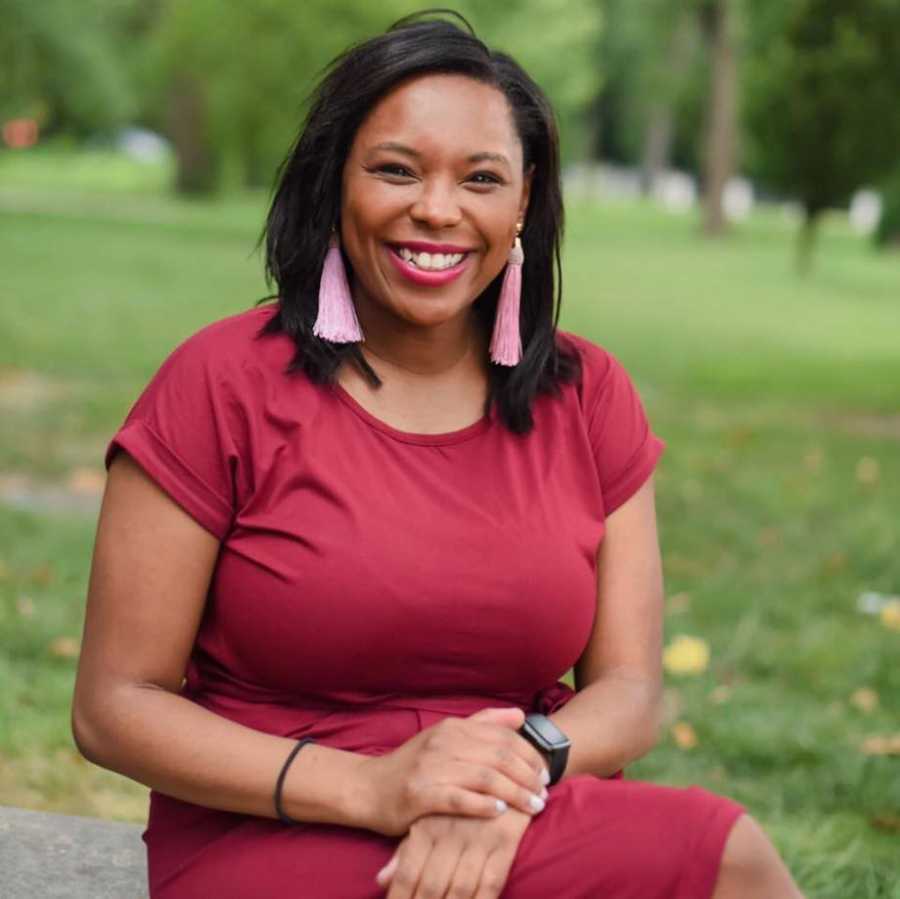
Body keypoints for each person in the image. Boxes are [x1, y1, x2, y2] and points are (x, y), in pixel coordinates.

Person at [72, 12, 805, 899]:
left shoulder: (587, 394)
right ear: (334, 181)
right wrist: (376, 787)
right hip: (273, 825)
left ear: (524, 201)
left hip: (518, 811)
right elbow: (114, 706)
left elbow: (629, 688)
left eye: (482, 178)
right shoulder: (219, 385)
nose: (438, 209)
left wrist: (503, 780)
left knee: (726, 855)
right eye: (396, 169)